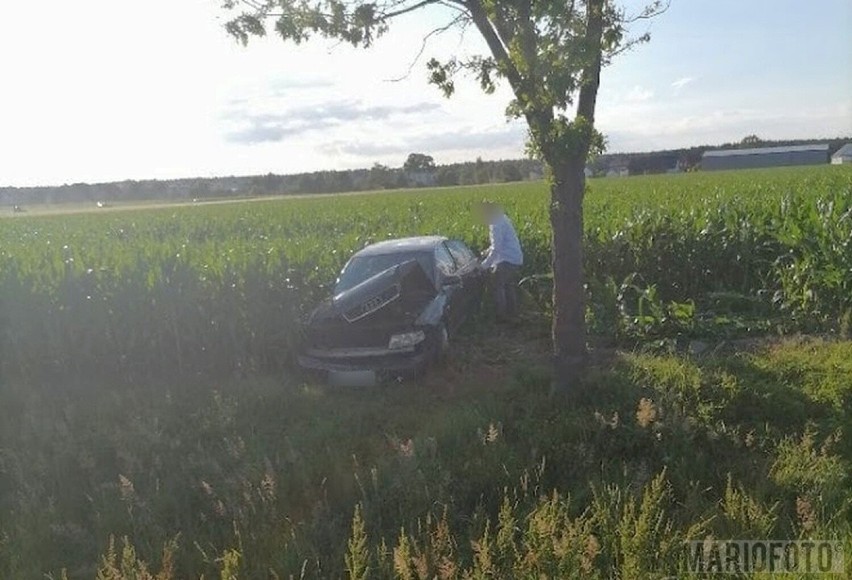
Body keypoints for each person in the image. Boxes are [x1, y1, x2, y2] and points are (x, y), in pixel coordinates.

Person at [477, 201, 523, 322]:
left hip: (507, 259)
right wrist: (485, 252)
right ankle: (513, 314)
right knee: (508, 285)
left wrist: (484, 265)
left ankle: (502, 316)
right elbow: (498, 244)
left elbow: (496, 249)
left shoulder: (496, 224)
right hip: (514, 257)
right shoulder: (502, 218)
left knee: (497, 285)